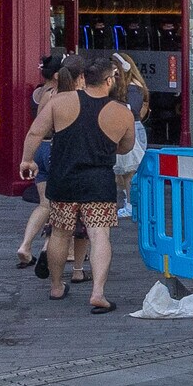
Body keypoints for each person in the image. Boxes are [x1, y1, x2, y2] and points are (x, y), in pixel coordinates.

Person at [19, 53, 135, 313]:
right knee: (99, 234)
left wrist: (27, 160)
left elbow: (36, 131)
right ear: (108, 80)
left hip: (64, 178)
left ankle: (57, 286)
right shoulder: (121, 113)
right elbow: (125, 148)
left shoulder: (60, 102)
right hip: (98, 181)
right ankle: (98, 292)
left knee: (60, 233)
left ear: (84, 77)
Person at [15, 51, 66, 271]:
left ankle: (25, 246)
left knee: (45, 203)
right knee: (62, 204)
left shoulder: (38, 92)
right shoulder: (58, 94)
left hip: (39, 149)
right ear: (57, 74)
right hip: (54, 147)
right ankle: (48, 247)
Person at [112, 52, 150, 218]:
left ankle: (131, 205)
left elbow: (132, 109)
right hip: (124, 127)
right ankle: (130, 201)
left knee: (129, 171)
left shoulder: (133, 87)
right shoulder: (122, 85)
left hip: (131, 128)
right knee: (122, 171)